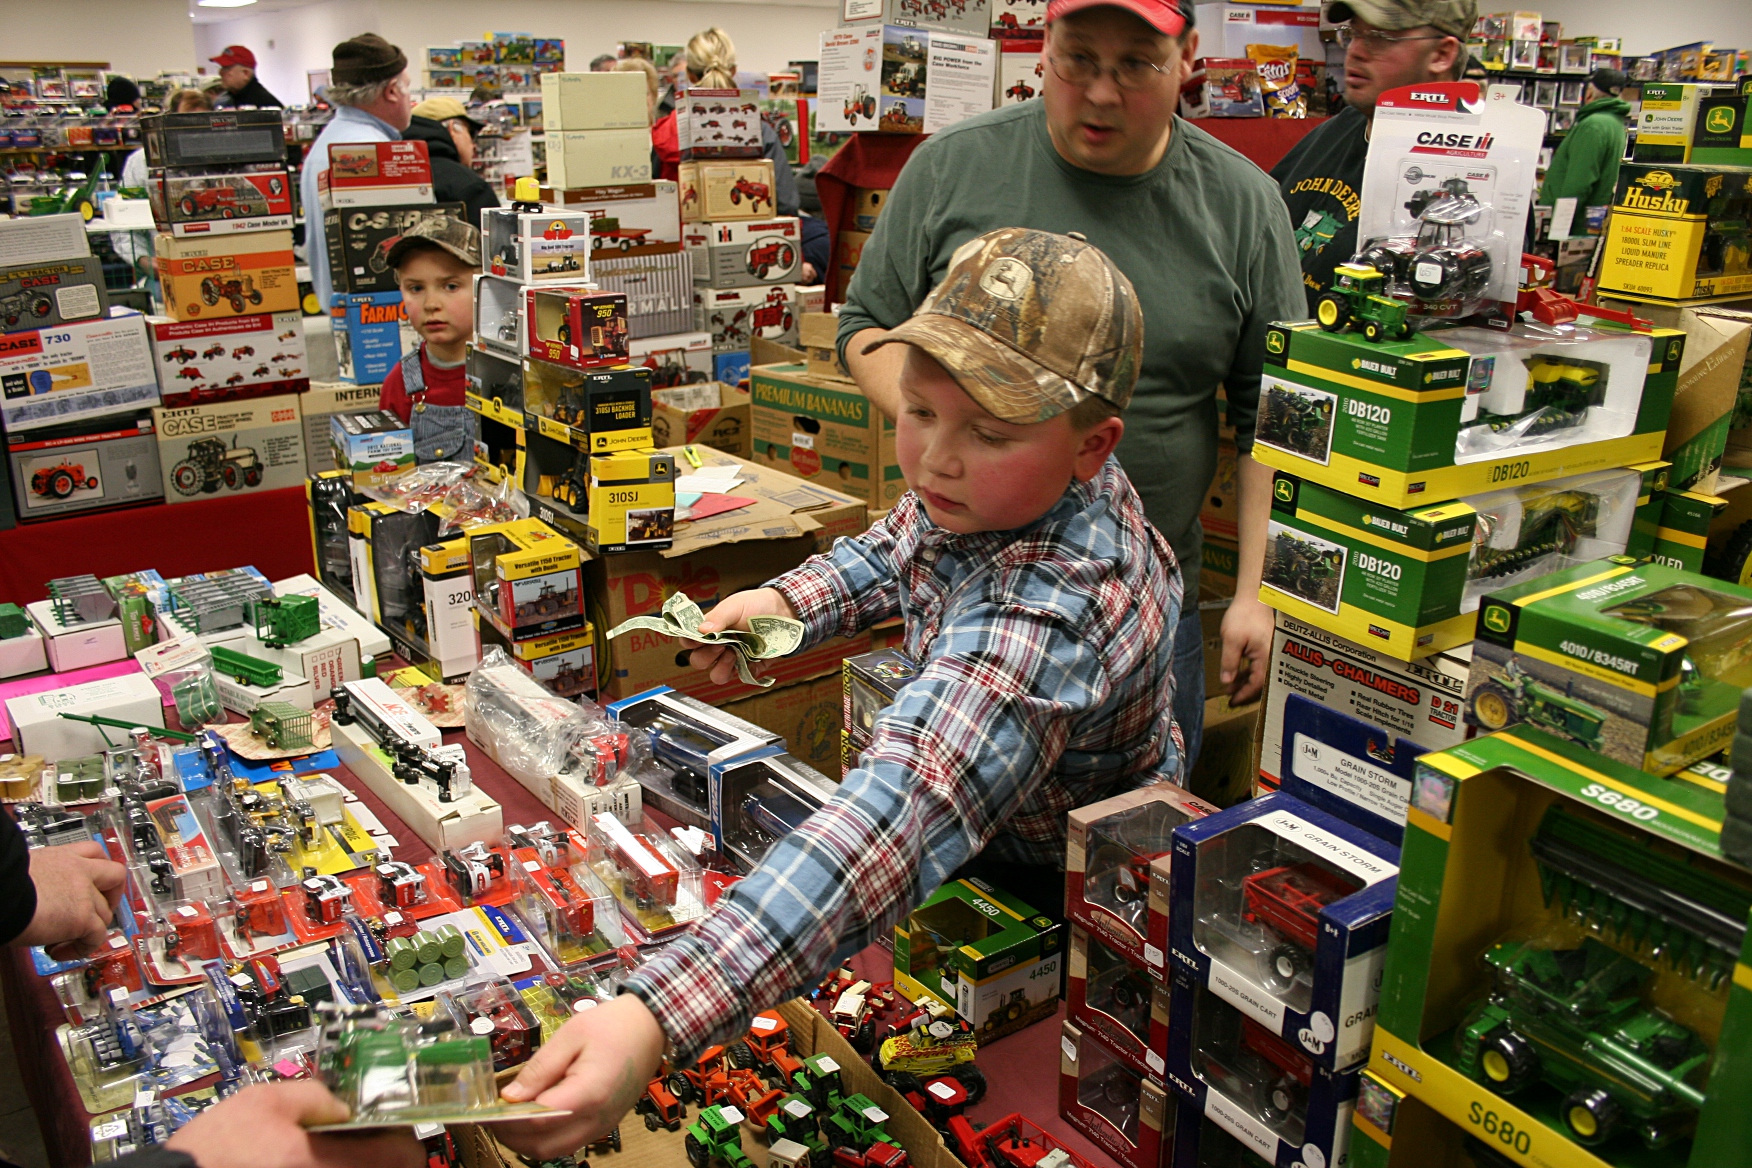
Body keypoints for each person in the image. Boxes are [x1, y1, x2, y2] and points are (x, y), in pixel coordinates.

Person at [497, 227, 1183, 1159]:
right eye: (920, 412)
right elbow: (894, 548)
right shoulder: (998, 488)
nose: (937, 458)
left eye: (986, 432)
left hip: (1075, 898)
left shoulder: (1058, 604)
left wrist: (654, 1016)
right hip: (985, 847)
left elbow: (898, 812)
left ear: (1093, 448)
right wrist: (785, 602)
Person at [837, 0, 1303, 767]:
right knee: (947, 830)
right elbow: (865, 327)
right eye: (1078, 59)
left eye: (1135, 65)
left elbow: (1275, 420)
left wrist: (1257, 592)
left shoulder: (1244, 205)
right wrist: (970, 432)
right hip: (961, 594)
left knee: (1118, 858)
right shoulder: (951, 167)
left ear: (1188, 58)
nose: (1101, 93)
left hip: (1148, 617)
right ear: (1042, 50)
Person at [1270, 0, 1473, 312]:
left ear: (1442, 55)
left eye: (1380, 38)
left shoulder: (1475, 168)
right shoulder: (1335, 131)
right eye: (1352, 34)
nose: (1355, 51)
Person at [302, 33, 415, 316]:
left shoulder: (328, 142)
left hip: (347, 316)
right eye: (408, 88)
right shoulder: (373, 153)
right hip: (377, 319)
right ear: (391, 91)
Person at [651, 27, 800, 216]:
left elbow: (654, 204)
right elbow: (786, 203)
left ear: (689, 75)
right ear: (734, 71)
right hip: (749, 241)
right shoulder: (758, 131)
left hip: (684, 243)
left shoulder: (665, 133)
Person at [377, 216, 480, 463]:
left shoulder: (514, 375)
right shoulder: (400, 384)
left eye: (451, 286)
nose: (431, 304)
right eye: (416, 289)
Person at [1537, 66, 1631, 213]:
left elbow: (1579, 182)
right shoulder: (1615, 122)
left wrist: (1558, 222)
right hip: (1589, 220)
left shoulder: (1593, 125)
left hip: (1573, 225)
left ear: (1589, 93)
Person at [405, 96, 500, 229]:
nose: (473, 145)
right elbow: (495, 244)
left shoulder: (396, 173)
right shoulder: (470, 187)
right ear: (453, 129)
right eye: (471, 133)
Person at [121, 88, 212, 189]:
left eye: (201, 122)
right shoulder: (141, 160)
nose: (194, 130)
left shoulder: (221, 159)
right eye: (186, 121)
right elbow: (128, 199)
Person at [209, 45, 282, 108]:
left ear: (246, 73)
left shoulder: (266, 105)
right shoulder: (224, 100)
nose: (220, 72)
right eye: (221, 67)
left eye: (226, 68)